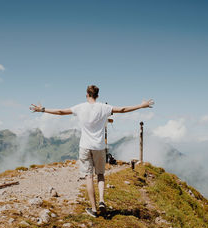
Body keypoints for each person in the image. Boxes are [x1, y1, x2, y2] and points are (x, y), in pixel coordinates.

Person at [30, 85, 154, 217]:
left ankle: (94, 209)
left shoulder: (80, 107)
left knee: (89, 176)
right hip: (99, 146)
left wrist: (42, 109)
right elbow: (122, 109)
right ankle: (101, 200)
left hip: (85, 146)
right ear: (97, 95)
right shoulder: (104, 107)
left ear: (87, 95)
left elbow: (61, 112)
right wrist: (141, 106)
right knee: (100, 174)